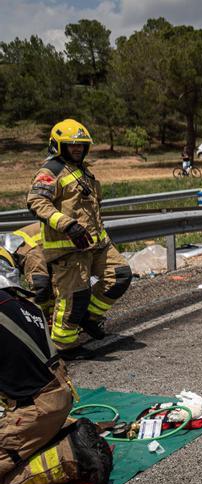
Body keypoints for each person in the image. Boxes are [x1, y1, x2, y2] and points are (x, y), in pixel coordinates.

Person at [0, 246, 113, 484]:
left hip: (32, 411)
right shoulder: (25, 304)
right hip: (56, 401)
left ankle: (70, 454)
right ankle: (58, 434)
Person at [26, 119, 133, 356]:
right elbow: (36, 201)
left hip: (96, 245)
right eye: (71, 145)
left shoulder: (83, 171)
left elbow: (92, 211)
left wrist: (102, 239)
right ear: (57, 145)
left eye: (81, 146)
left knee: (121, 275)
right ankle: (64, 346)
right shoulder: (50, 171)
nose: (77, 149)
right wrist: (67, 225)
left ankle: (87, 317)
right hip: (68, 249)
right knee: (74, 298)